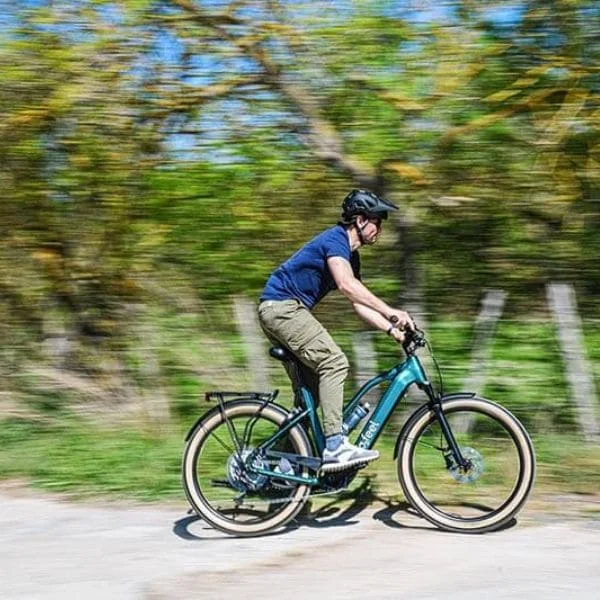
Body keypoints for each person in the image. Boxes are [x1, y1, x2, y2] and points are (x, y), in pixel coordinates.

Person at [257, 189, 415, 472]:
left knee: (311, 395)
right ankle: (334, 446)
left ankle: (280, 465)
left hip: (283, 310)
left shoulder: (351, 257)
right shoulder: (336, 240)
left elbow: (359, 304)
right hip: (282, 308)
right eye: (377, 221)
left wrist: (393, 330)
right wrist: (393, 310)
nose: (380, 227)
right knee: (334, 362)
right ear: (359, 220)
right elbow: (346, 285)